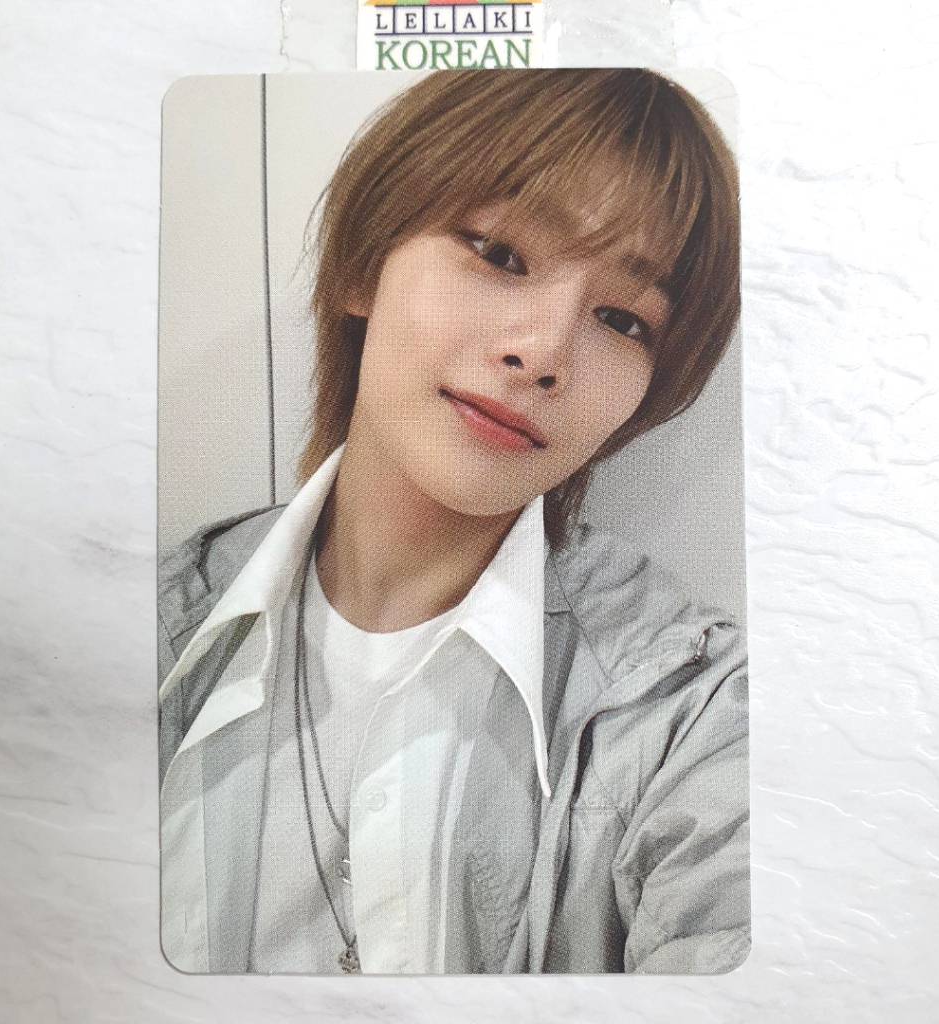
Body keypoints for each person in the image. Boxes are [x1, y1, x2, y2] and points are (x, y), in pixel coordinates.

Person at [158, 67, 748, 976]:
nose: (542, 352)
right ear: (363, 265)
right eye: (501, 255)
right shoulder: (151, 634)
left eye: (623, 319)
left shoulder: (685, 707)